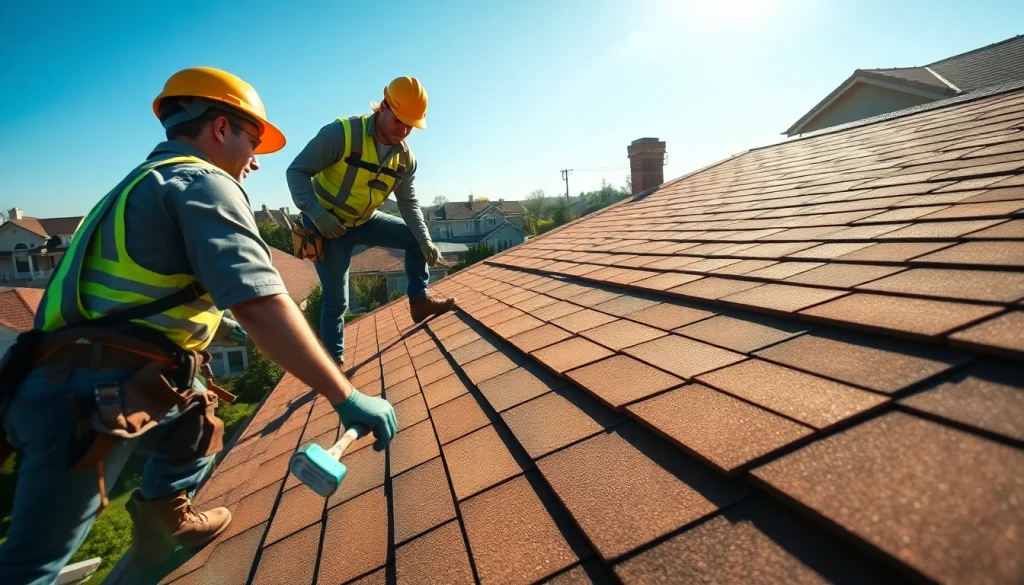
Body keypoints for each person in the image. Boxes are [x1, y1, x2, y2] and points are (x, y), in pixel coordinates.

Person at [0, 67, 398, 585]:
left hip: (65, 375)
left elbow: (154, 290)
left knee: (195, 411)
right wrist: (345, 396)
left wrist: (217, 325)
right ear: (219, 128)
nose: (255, 161)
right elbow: (262, 303)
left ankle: (167, 523)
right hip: (86, 396)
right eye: (253, 141)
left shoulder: (140, 183)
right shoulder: (205, 183)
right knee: (32, 565)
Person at [287, 77, 456, 366]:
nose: (403, 131)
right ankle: (333, 364)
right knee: (337, 301)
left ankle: (419, 301)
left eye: (410, 126)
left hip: (365, 220)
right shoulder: (341, 134)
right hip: (330, 226)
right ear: (383, 107)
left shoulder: (405, 159)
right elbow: (297, 171)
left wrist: (426, 239)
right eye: (398, 121)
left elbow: (407, 202)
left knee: (415, 239)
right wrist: (317, 213)